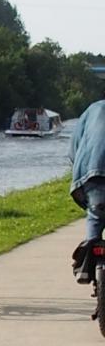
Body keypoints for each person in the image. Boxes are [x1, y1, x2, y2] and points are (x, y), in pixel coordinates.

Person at [69, 94, 105, 241]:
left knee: (95, 217)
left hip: (92, 175)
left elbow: (74, 148)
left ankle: (90, 253)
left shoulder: (93, 109)